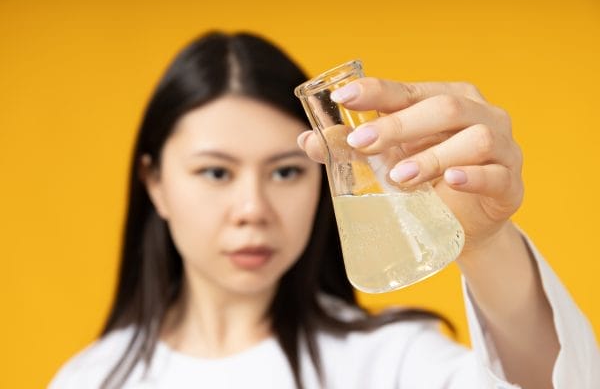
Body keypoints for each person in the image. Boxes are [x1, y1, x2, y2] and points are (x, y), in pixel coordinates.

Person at [49, 31, 599, 389]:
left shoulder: (394, 362)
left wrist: (484, 242)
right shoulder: (88, 380)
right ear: (156, 183)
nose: (252, 209)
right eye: (216, 172)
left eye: (285, 171)